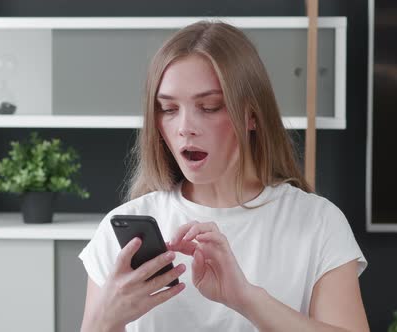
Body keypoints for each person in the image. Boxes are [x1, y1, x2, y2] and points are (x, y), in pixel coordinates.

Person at [79, 20, 369, 332]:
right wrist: (106, 321)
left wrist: (246, 298)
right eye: (168, 109)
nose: (185, 127)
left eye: (209, 107)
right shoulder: (123, 227)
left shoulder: (318, 223)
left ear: (252, 116)